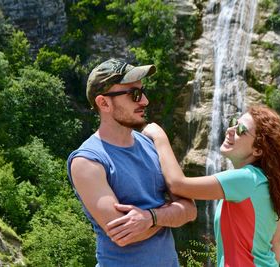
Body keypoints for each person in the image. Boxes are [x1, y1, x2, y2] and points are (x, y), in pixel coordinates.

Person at [67, 58, 197, 266]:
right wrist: (169, 210)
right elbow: (125, 234)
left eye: (143, 92)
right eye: (134, 95)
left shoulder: (151, 144)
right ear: (104, 103)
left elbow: (190, 211)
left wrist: (150, 217)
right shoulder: (87, 161)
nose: (144, 101)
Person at [141, 105, 280, 266]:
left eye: (241, 130)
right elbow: (275, 242)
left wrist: (160, 138)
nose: (230, 130)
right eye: (234, 123)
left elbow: (178, 185)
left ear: (258, 150)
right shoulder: (267, 183)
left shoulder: (246, 179)